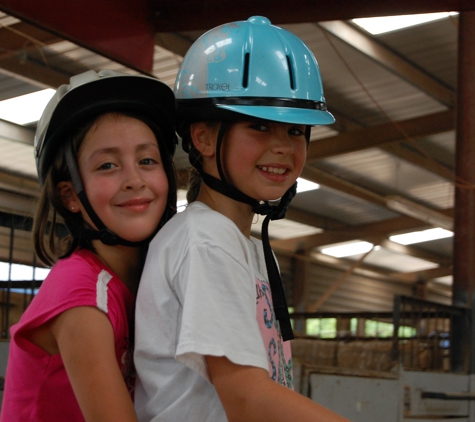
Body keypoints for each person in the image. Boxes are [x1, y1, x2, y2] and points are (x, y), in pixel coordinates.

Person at [134, 17, 349, 422]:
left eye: (296, 131)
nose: (283, 147)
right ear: (203, 137)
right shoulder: (206, 241)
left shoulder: (236, 243)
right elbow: (247, 399)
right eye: (260, 126)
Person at [1, 69, 177, 422]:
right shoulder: (82, 292)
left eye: (147, 160)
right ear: (70, 196)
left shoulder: (145, 282)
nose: (134, 180)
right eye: (108, 165)